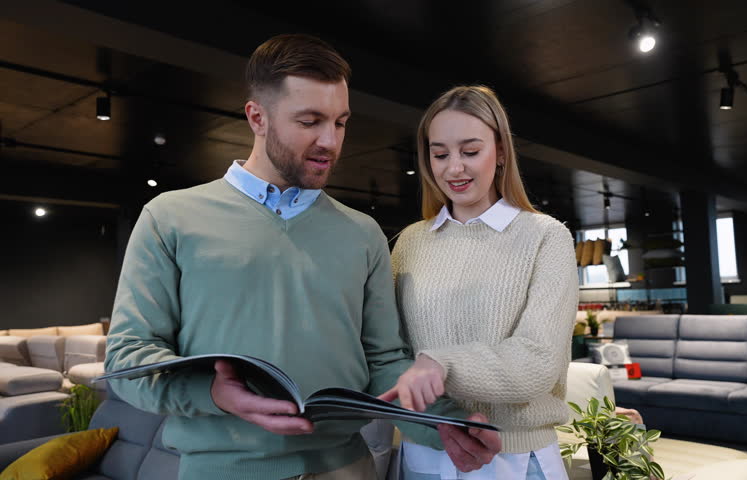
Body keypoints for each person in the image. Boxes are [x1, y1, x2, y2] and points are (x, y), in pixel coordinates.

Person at [105, 34, 499, 480]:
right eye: (310, 121)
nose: (330, 141)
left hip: (348, 468)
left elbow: (385, 362)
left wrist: (440, 422)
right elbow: (127, 360)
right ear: (257, 117)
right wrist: (215, 393)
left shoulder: (362, 233)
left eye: (341, 122)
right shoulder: (170, 218)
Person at [384, 86, 579, 479]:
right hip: (426, 452)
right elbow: (391, 351)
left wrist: (442, 364)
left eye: (470, 151)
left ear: (501, 152)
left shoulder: (545, 237)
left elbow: (539, 361)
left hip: (516, 461)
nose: (454, 168)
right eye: (440, 154)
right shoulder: (409, 242)